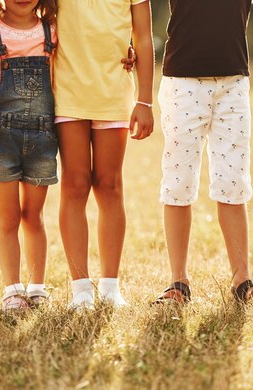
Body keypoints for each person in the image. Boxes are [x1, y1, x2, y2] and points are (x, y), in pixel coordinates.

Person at [153, 0, 253, 304]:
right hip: (183, 82)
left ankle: (242, 281)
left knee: (232, 182)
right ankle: (178, 283)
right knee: (178, 183)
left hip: (233, 82)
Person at [54, 0, 155, 309]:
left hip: (112, 93)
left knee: (109, 186)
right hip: (67, 92)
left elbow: (144, 37)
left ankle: (110, 288)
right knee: (75, 185)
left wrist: (145, 101)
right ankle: (81, 290)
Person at [0, 0, 58, 310]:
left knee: (33, 216)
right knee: (8, 216)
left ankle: (36, 287)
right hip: (0, 137)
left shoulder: (53, 30)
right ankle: (12, 289)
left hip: (42, 136)